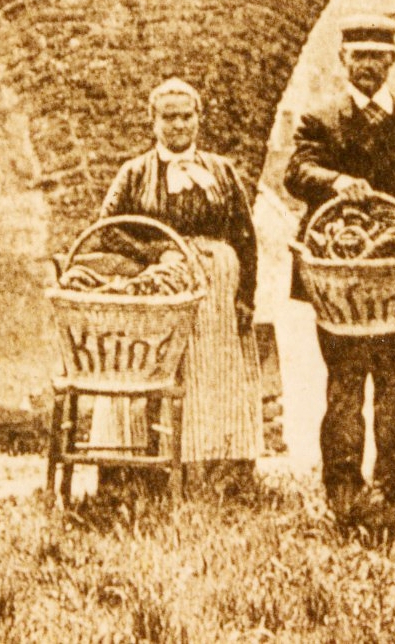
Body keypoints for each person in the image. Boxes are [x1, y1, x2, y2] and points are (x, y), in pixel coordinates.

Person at [284, 15, 395, 522]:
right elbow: (297, 172)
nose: (367, 67)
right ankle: (343, 490)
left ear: (391, 62)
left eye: (376, 58)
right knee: (344, 380)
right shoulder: (322, 119)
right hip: (341, 282)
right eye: (358, 57)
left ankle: (393, 489)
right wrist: (337, 182)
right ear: (343, 61)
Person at [96, 79, 262, 490]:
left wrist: (246, 299)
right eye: (169, 117)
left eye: (187, 116)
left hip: (217, 296)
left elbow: (244, 236)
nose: (178, 125)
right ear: (153, 121)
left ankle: (214, 475)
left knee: (214, 374)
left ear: (198, 119)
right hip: (161, 288)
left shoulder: (221, 171)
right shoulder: (134, 173)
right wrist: (160, 254)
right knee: (154, 372)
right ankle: (145, 472)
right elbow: (107, 231)